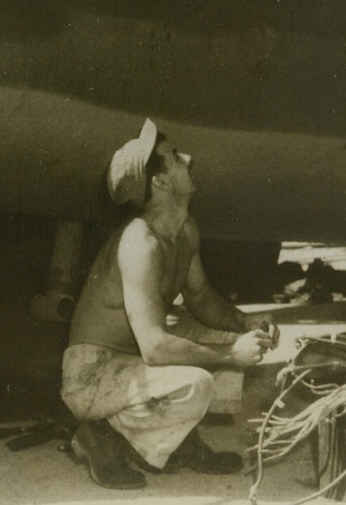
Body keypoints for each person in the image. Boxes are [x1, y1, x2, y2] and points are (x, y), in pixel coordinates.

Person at [61, 119, 278, 490]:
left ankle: (174, 439)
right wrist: (230, 357)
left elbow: (201, 297)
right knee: (197, 382)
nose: (188, 157)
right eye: (175, 156)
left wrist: (245, 323)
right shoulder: (139, 244)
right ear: (159, 183)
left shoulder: (184, 230)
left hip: (132, 360)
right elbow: (156, 347)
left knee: (227, 336)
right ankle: (101, 438)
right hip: (92, 373)